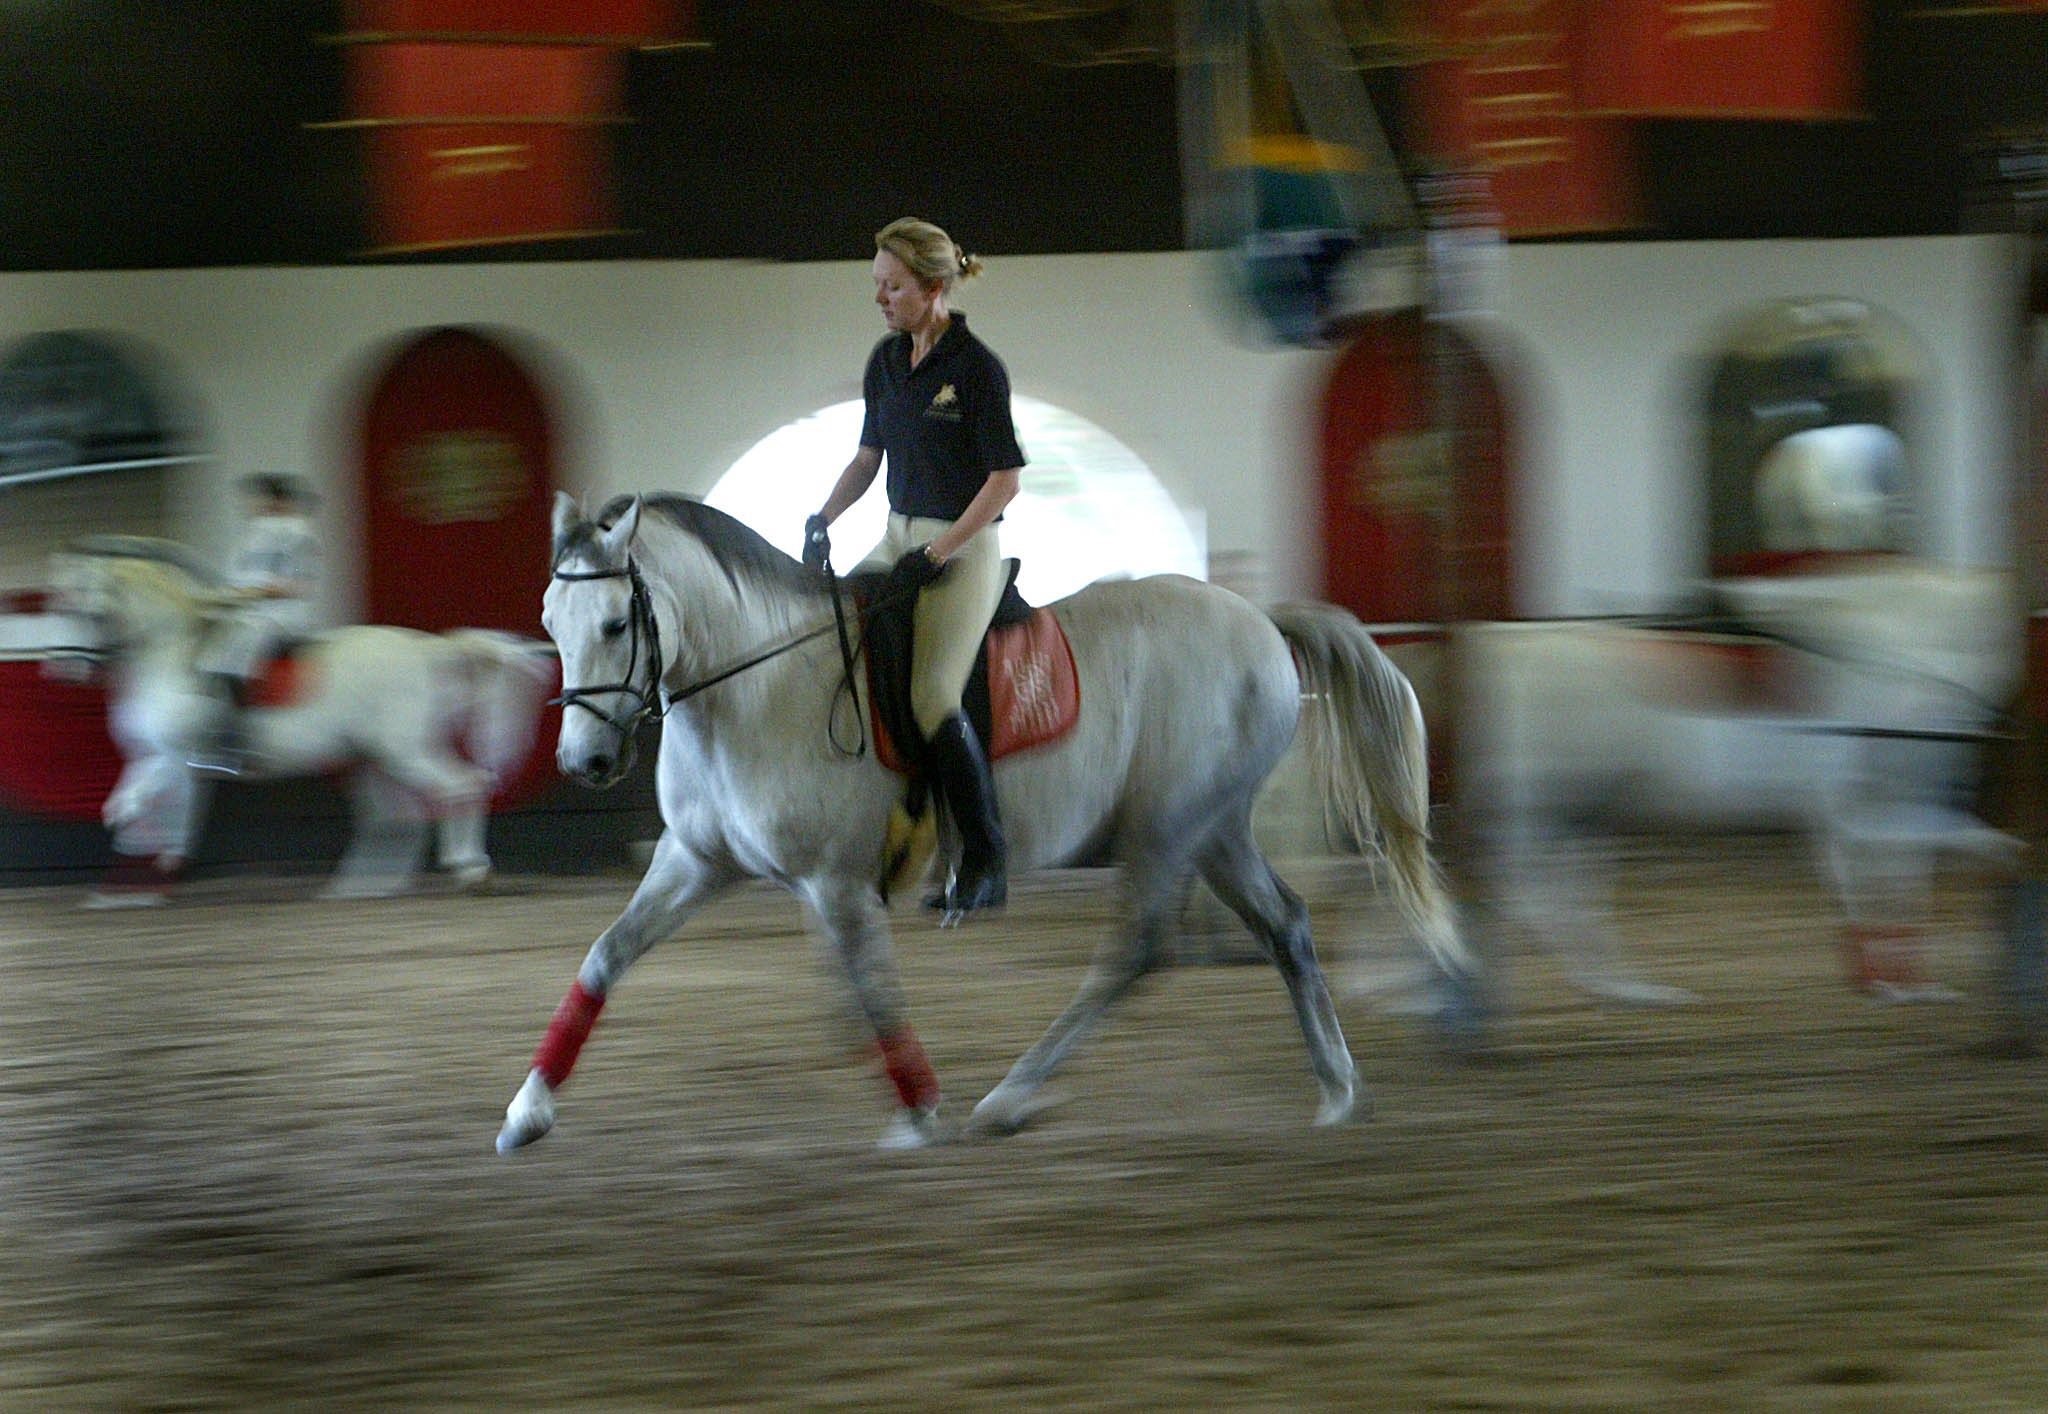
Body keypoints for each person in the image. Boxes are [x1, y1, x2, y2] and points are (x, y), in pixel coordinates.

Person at [804, 217, 1025, 915]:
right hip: (896, 534)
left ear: (933, 289)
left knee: (934, 697)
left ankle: (986, 860)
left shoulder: (976, 368)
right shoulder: (885, 361)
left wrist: (940, 551)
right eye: (875, 284)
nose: (879, 298)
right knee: (831, 633)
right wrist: (823, 517)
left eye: (891, 286)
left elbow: (1004, 481)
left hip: (963, 543)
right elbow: (869, 460)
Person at [190, 472, 321, 775]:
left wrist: (258, 592)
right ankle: (209, 724)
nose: (253, 505)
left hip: (281, 615)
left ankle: (232, 741)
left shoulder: (299, 532)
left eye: (260, 498)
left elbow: (299, 584)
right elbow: (237, 579)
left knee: (236, 644)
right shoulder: (254, 534)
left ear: (277, 500)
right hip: (247, 610)